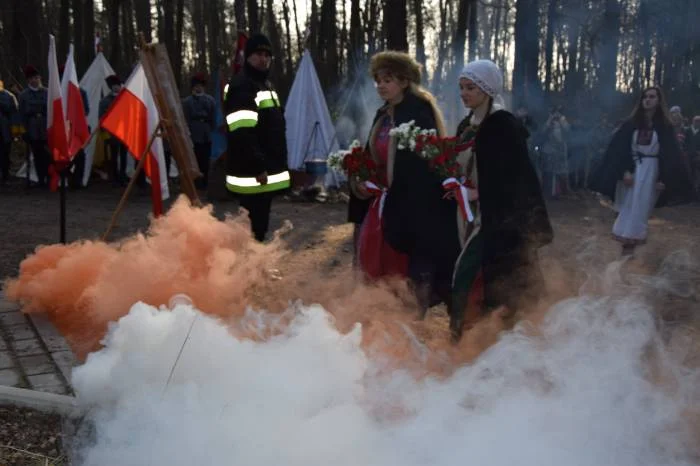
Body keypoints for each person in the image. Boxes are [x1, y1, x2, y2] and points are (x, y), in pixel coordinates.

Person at [351, 51, 460, 317]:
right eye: (377, 80)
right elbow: (372, 156)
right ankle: (386, 314)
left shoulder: (419, 113)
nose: (380, 85)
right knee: (380, 267)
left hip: (414, 209)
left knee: (412, 271)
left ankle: (410, 317)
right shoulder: (383, 114)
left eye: (387, 79)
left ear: (404, 80)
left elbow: (422, 166)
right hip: (385, 204)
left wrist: (400, 192)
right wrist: (362, 181)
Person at [449, 59, 553, 341]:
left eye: (470, 87)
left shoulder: (503, 126)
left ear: (486, 88)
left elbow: (514, 177)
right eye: (461, 87)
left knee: (475, 273)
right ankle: (470, 334)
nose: (464, 93)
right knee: (469, 272)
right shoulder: (465, 125)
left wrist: (481, 193)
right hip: (467, 213)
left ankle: (489, 335)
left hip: (498, 218)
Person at [590, 87, 694, 257]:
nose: (648, 99)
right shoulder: (631, 124)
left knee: (640, 209)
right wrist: (624, 172)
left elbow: (670, 155)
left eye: (652, 97)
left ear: (659, 101)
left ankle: (629, 247)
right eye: (645, 96)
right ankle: (626, 246)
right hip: (632, 170)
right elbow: (618, 150)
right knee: (627, 207)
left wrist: (663, 179)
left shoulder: (664, 127)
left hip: (651, 171)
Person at [224, 33, 290, 242]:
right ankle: (249, 270)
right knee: (252, 228)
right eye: (258, 54)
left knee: (259, 226)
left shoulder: (266, 85)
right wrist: (258, 166)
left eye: (267, 55)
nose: (263, 59)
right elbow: (242, 132)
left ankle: (256, 267)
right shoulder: (243, 85)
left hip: (265, 171)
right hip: (253, 173)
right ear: (247, 57)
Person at [182, 72, 216, 190]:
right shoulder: (187, 102)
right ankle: (196, 182)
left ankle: (205, 181)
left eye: (200, 86)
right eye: (196, 86)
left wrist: (211, 129)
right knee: (194, 157)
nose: (198, 88)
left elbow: (213, 116)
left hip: (206, 132)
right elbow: (185, 117)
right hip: (194, 131)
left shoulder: (210, 100)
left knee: (205, 158)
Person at [18, 65, 49, 187]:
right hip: (32, 126)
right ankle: (41, 179)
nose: (34, 80)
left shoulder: (46, 92)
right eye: (32, 78)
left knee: (47, 154)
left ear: (40, 78)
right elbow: (21, 114)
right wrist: (24, 131)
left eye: (36, 78)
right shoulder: (23, 95)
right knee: (37, 154)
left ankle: (48, 177)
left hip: (45, 126)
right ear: (28, 81)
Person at [99, 75, 128, 186]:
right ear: (111, 87)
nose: (117, 87)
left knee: (124, 156)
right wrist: (104, 132)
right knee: (114, 156)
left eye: (118, 85)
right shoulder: (105, 101)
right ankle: (115, 177)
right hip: (113, 132)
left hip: (124, 131)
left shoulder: (125, 99)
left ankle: (122, 176)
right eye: (115, 86)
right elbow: (101, 117)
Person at [0, 78, 18, 184]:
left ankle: (5, 176)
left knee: (5, 153)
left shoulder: (9, 96)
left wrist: (15, 131)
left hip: (5, 129)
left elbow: (14, 114)